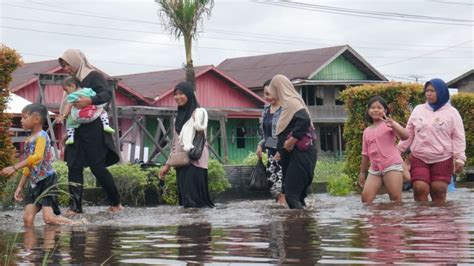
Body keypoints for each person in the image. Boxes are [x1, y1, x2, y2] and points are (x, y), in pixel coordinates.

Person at [58, 49, 123, 215]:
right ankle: (75, 207)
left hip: (93, 129)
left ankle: (116, 203)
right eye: (63, 65)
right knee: (73, 165)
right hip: (76, 128)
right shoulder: (71, 82)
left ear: (76, 61)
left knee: (97, 167)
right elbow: (69, 105)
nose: (66, 68)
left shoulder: (94, 76)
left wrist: (90, 100)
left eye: (67, 64)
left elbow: (106, 93)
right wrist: (67, 129)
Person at [0, 104, 75, 227]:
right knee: (27, 219)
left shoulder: (42, 136)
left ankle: (77, 224)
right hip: (35, 183)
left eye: (24, 117)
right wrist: (20, 186)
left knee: (49, 219)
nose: (21, 120)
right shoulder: (28, 140)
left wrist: (14, 167)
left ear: (36, 119)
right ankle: (31, 245)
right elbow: (29, 165)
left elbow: (37, 157)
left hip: (47, 180)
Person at [398, 78, 466, 203]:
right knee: (419, 188)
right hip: (419, 156)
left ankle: (439, 221)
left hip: (443, 157)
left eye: (433, 91)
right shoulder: (418, 110)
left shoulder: (452, 113)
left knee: (438, 190)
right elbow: (409, 133)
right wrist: (397, 151)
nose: (428, 93)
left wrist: (460, 158)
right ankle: (421, 219)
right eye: (427, 91)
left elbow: (458, 137)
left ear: (441, 92)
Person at [159, 81, 214, 208]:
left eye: (181, 93)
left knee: (195, 202)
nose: (178, 97)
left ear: (189, 95)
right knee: (185, 202)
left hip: (195, 161)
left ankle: (199, 226)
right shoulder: (177, 118)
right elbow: (175, 144)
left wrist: (196, 118)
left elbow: (201, 133)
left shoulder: (198, 113)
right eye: (175, 94)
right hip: (181, 162)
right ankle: (188, 227)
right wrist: (167, 165)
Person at [268, 74, 317, 209]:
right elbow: (286, 130)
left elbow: (304, 120)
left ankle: (297, 226)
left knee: (291, 196)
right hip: (299, 155)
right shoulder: (288, 104)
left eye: (273, 88)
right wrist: (281, 151)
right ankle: (303, 226)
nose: (271, 93)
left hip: (301, 155)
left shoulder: (291, 102)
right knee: (298, 197)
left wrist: (292, 139)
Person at [358, 96, 409, 203]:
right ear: (368, 111)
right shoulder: (366, 131)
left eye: (379, 107)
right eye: (372, 107)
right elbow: (365, 154)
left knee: (395, 199)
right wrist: (362, 173)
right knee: (366, 199)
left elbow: (405, 136)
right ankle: (376, 219)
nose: (376, 110)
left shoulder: (389, 124)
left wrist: (394, 124)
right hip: (375, 169)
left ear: (385, 110)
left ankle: (395, 220)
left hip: (392, 165)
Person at [56, 77, 115, 145]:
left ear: (72, 85)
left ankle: (70, 138)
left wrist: (63, 116)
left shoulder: (72, 96)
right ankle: (106, 125)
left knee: (70, 122)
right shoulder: (88, 90)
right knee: (103, 112)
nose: (67, 92)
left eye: (66, 90)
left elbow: (68, 106)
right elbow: (96, 98)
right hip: (93, 114)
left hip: (79, 117)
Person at [256, 79, 285, 205]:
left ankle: (285, 210)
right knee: (273, 184)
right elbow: (265, 133)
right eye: (265, 94)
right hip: (271, 152)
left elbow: (287, 132)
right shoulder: (266, 109)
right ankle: (280, 209)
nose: (267, 97)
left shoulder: (285, 109)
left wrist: (281, 150)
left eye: (269, 94)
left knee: (283, 182)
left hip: (284, 152)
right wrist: (260, 145)